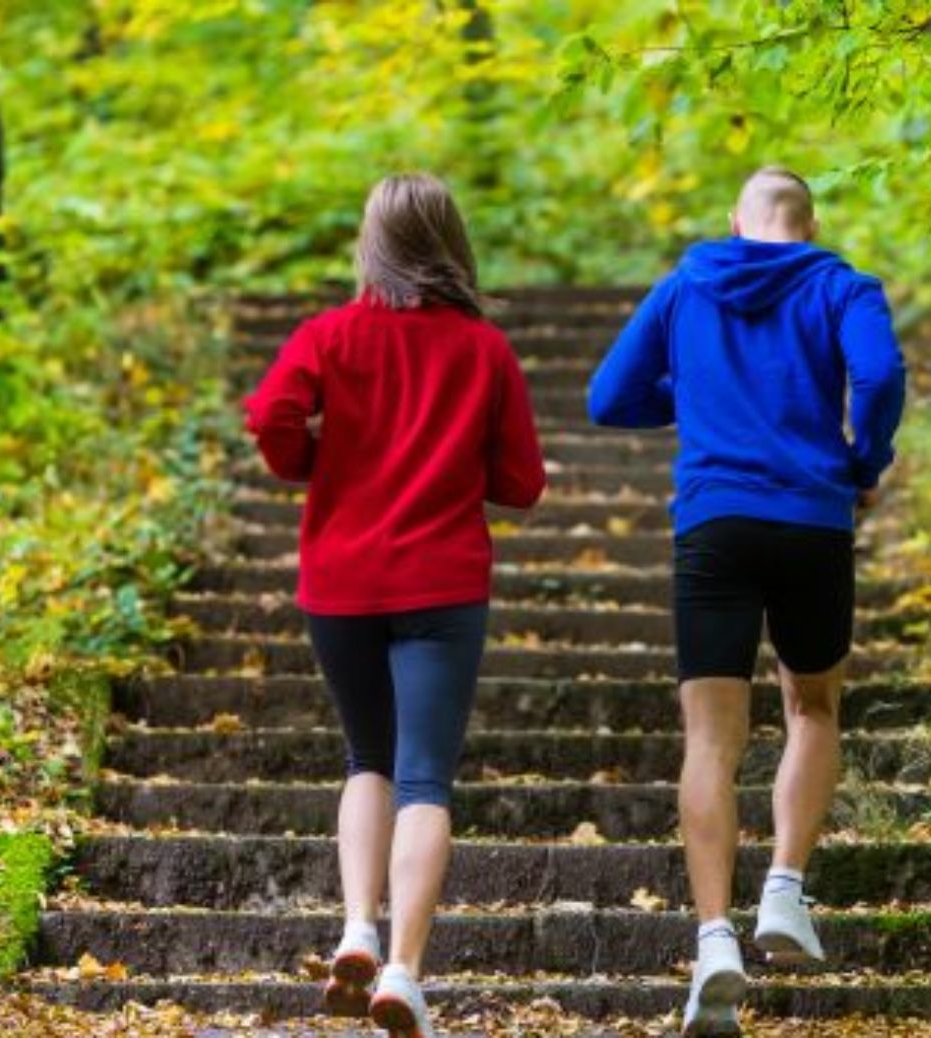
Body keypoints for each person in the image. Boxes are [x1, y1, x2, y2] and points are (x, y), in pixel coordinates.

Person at [588, 166, 906, 1037]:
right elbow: (878, 380)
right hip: (812, 522)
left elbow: (608, 397)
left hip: (714, 527)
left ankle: (715, 937)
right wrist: (861, 463)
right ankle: (785, 889)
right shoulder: (844, 285)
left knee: (710, 739)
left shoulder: (687, 284)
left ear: (735, 220)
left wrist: (693, 393)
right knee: (813, 706)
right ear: (810, 220)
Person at [244, 173, 545, 1038]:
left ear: (371, 245)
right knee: (424, 778)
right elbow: (521, 484)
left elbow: (272, 417)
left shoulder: (328, 336)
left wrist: (312, 464)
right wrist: (455, 466)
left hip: (341, 579)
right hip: (442, 583)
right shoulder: (483, 349)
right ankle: (405, 973)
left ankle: (356, 929)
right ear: (452, 244)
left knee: (364, 759)